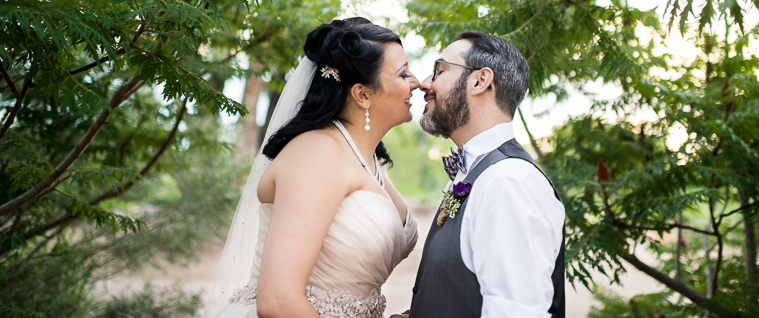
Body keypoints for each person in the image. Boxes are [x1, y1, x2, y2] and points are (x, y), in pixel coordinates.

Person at [208, 18, 420, 318]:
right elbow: (279, 302)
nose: (417, 82)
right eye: (403, 73)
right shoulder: (317, 153)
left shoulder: (370, 161)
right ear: (362, 94)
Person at [395, 31, 566, 318]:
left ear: (480, 80)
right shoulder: (480, 172)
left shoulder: (507, 182)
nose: (425, 84)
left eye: (439, 71)